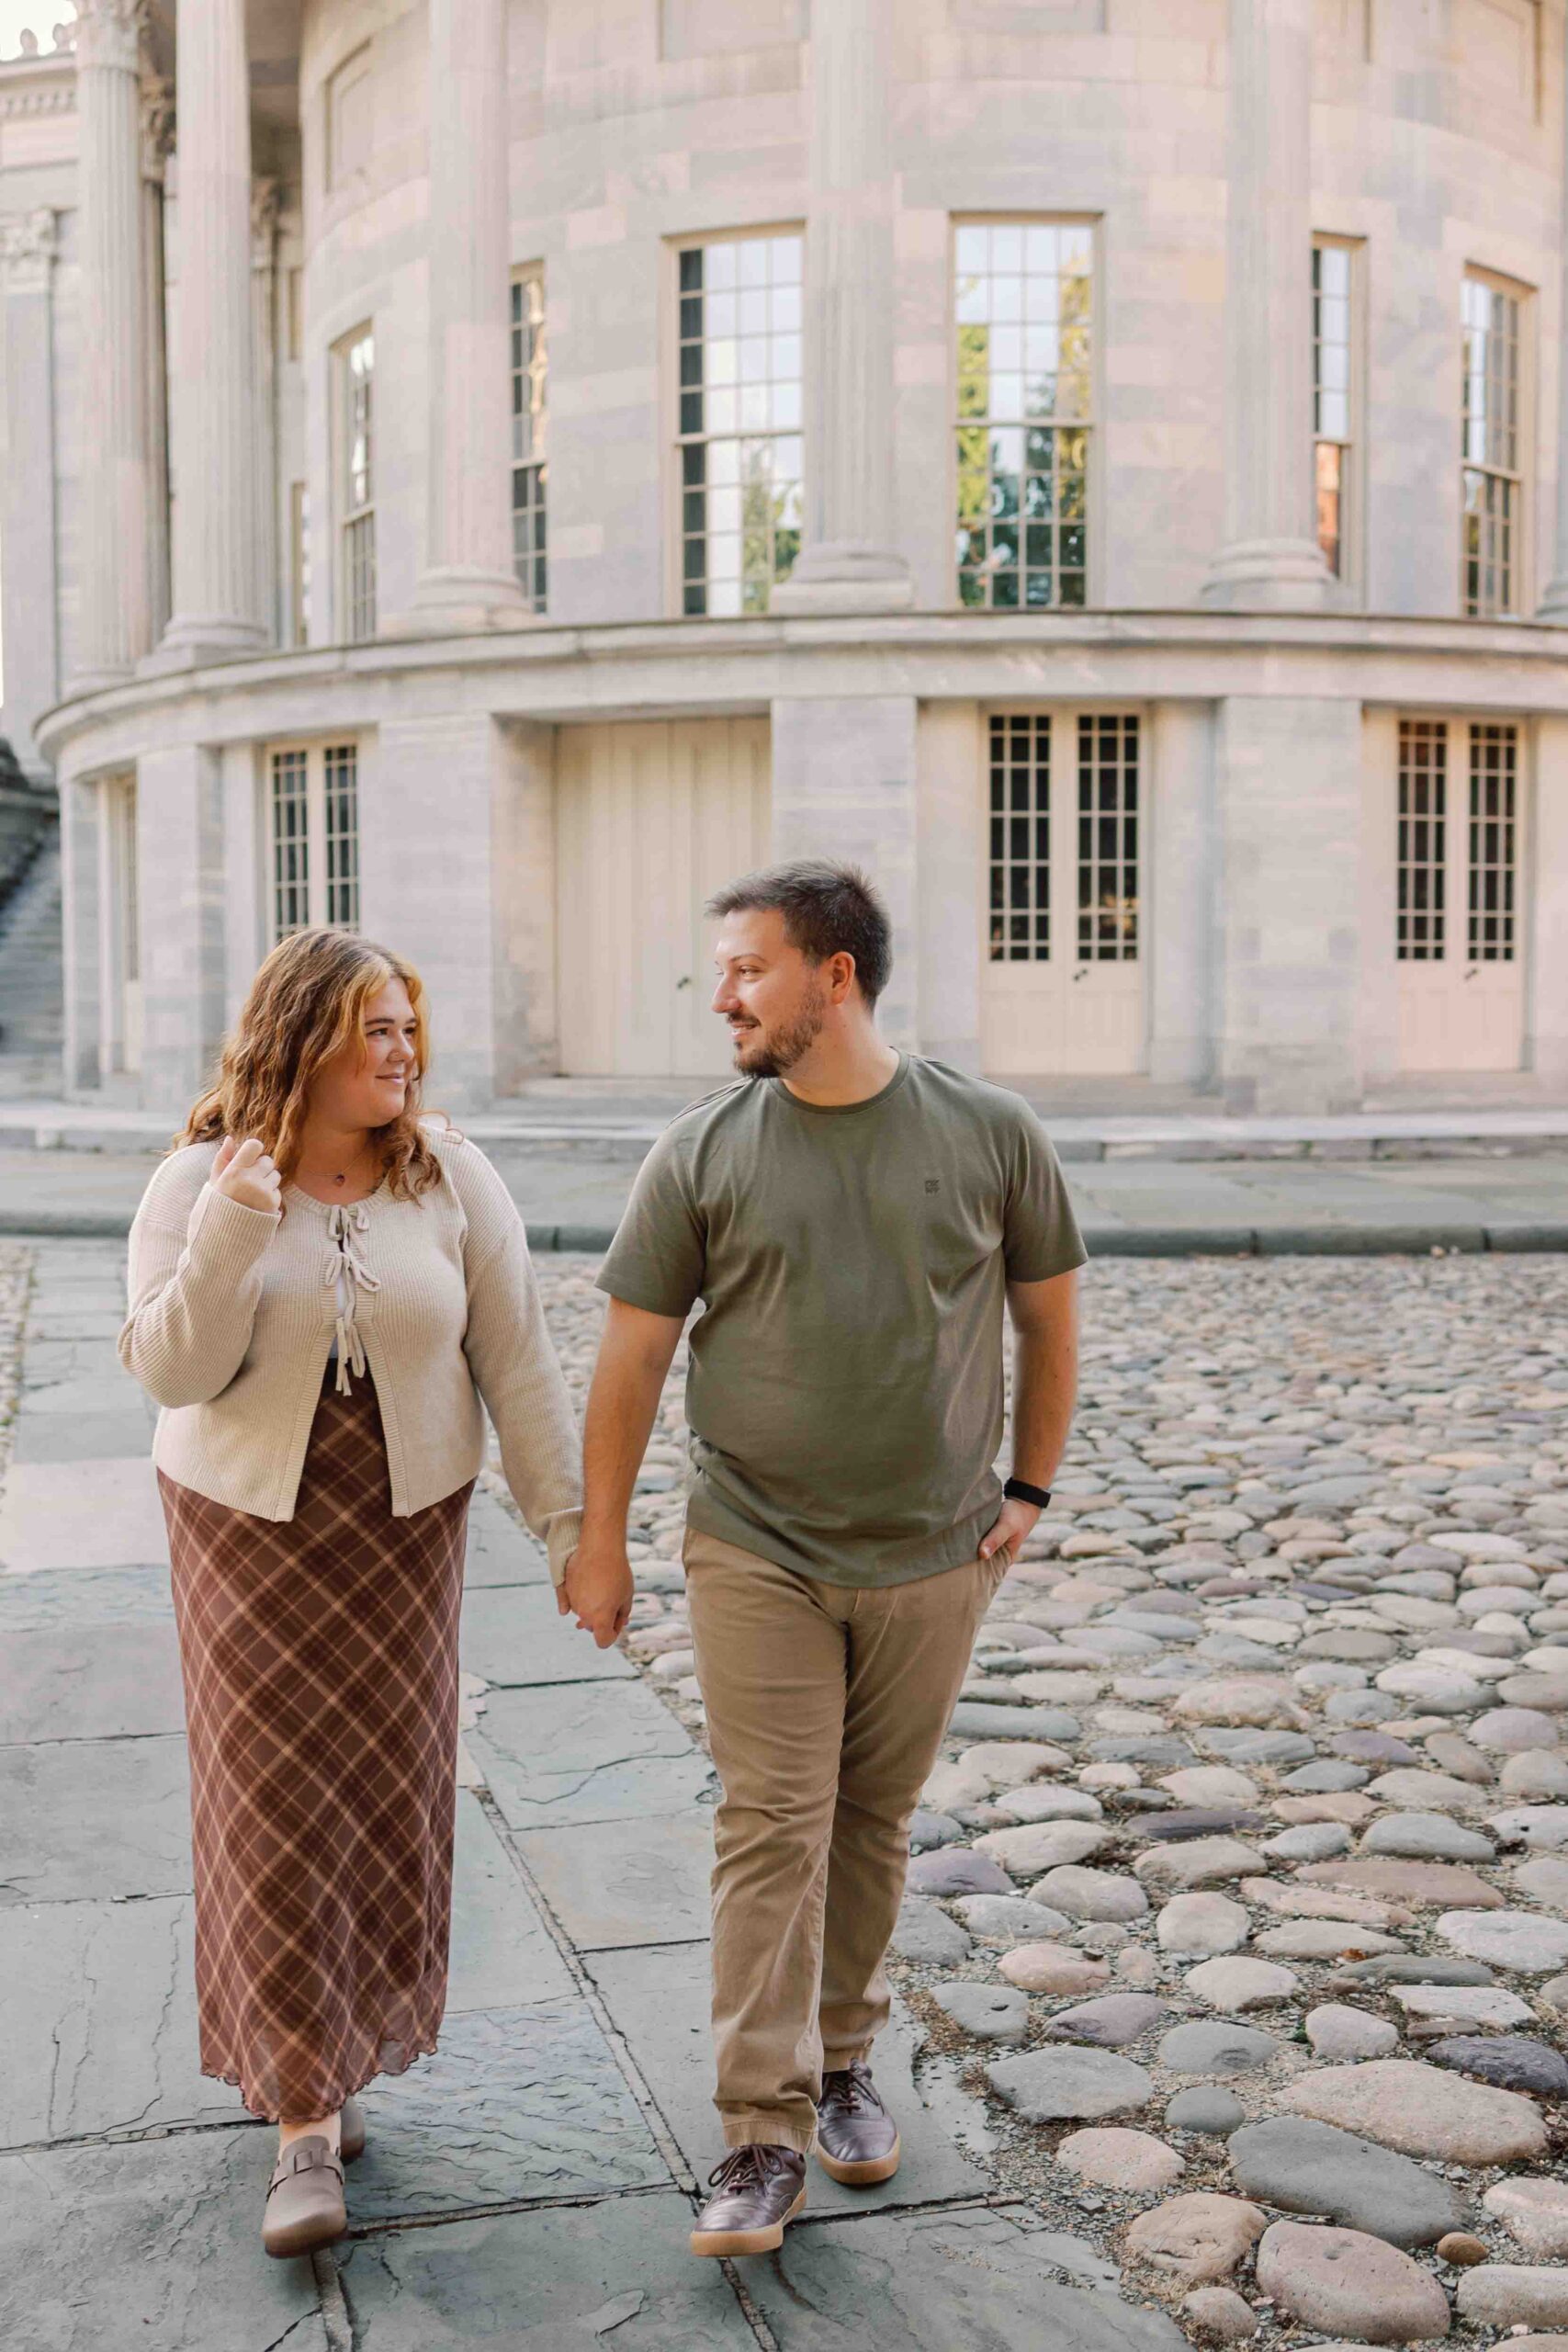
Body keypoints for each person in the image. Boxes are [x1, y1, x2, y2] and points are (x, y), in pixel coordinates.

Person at [563, 860, 1084, 2257]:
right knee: (772, 1824)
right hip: (757, 1547)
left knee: (872, 1821)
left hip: (934, 1554)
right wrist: (601, 1539)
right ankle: (760, 2127)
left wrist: (1030, 1487)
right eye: (722, 970)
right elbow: (632, 1354)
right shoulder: (700, 1152)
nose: (722, 996)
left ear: (834, 975)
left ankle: (846, 2058)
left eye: (748, 968)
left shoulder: (991, 1132)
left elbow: (1047, 1315)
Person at [120, 930, 582, 2260]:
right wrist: (235, 1219)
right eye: (375, 1028)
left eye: (407, 1027)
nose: (403, 1052)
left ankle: (339, 2045)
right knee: (268, 1804)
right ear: (304, 1039)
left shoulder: (448, 1174)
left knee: (386, 1795)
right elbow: (171, 1370)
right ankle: (303, 2120)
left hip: (403, 1532)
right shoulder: (196, 1181)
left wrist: (573, 1535)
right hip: (244, 1533)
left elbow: (518, 1359)